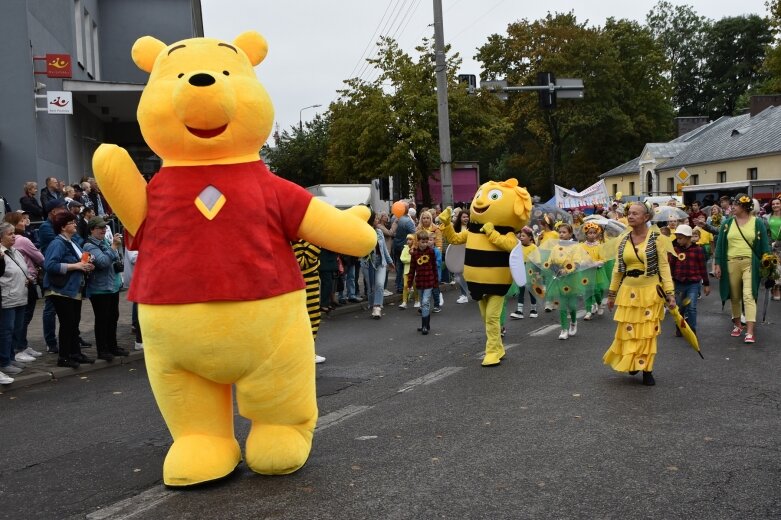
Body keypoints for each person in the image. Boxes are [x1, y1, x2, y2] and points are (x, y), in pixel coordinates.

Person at [603, 202, 677, 386]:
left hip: (651, 291)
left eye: (635, 213)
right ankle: (632, 360)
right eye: (629, 213)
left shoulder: (657, 238)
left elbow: (664, 267)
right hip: (628, 292)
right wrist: (611, 294)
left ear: (646, 217)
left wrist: (670, 293)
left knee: (647, 333)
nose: (630, 216)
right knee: (628, 332)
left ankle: (647, 369)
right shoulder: (623, 239)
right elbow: (617, 269)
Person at [713, 193, 771, 344]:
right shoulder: (727, 223)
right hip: (731, 263)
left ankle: (750, 331)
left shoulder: (757, 223)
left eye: (736, 205)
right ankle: (738, 325)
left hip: (750, 263)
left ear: (744, 207)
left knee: (749, 295)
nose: (732, 207)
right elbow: (719, 245)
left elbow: (765, 245)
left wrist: (769, 265)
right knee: (735, 296)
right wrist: (718, 264)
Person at [42, 212, 95, 368]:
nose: (75, 224)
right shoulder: (57, 243)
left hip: (73, 290)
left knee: (73, 323)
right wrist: (76, 266)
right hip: (61, 290)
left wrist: (86, 265)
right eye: (72, 222)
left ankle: (75, 353)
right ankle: (64, 357)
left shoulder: (72, 242)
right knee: (67, 323)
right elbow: (50, 266)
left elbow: (80, 261)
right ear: (63, 226)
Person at [83, 217, 128, 361]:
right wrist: (114, 247)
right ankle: (102, 350)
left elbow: (114, 259)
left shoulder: (105, 242)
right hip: (99, 289)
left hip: (112, 286)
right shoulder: (88, 246)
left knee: (113, 317)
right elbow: (102, 262)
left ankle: (112, 346)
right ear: (91, 230)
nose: (103, 230)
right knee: (102, 320)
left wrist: (114, 249)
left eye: (104, 227)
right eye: (99, 228)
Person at [3, 213, 44, 359]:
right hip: (16, 290)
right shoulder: (22, 241)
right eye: (21, 220)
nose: (26, 222)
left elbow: (23, 265)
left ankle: (19, 348)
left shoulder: (15, 247)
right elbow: (40, 258)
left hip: (22, 286)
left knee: (19, 322)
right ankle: (16, 351)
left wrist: (28, 276)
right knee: (15, 324)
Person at [0, 222, 36, 377]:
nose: (14, 236)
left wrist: (27, 278)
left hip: (21, 295)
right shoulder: (1, 253)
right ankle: (4, 362)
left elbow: (22, 269)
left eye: (14, 233)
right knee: (5, 331)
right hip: (7, 298)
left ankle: (11, 357)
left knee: (16, 329)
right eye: (10, 234)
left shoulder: (15, 251)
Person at [669, 224, 710, 335]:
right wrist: (669, 281)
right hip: (678, 283)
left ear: (688, 237)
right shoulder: (675, 250)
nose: (678, 240)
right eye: (677, 237)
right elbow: (671, 266)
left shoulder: (698, 250)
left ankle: (692, 330)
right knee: (679, 308)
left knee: (691, 307)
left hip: (693, 283)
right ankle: (680, 327)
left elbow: (702, 267)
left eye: (680, 238)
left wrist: (706, 283)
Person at [292, 239, 325, 364]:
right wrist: (317, 242)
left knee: (313, 318)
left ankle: (309, 351)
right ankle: (305, 353)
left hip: (309, 282)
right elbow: (304, 262)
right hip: (304, 284)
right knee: (309, 319)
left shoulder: (303, 237)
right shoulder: (295, 238)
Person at [407, 230, 438, 334]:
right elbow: (412, 270)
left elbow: (434, 267)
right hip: (420, 282)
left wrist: (436, 282)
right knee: (422, 303)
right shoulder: (415, 254)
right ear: (418, 241)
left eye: (426, 241)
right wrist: (409, 283)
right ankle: (426, 325)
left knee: (425, 302)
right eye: (422, 242)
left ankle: (424, 326)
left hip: (429, 281)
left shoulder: (431, 252)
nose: (425, 244)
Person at [370, 211, 394, 319]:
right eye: (375, 219)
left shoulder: (379, 231)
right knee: (371, 287)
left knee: (380, 284)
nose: (377, 220)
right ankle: (372, 303)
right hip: (369, 263)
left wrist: (390, 262)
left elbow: (384, 249)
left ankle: (377, 307)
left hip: (381, 262)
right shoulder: (365, 232)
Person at [510, 226, 539, 319]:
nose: (521, 237)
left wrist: (537, 272)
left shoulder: (534, 247)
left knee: (531, 291)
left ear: (530, 237)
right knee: (521, 290)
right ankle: (519, 311)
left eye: (523, 236)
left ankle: (533, 309)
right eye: (520, 235)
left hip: (531, 271)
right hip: (521, 271)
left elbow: (537, 261)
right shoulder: (518, 247)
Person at [390, 203, 416, 294]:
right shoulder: (408, 221)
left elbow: (392, 231)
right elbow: (414, 233)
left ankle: (398, 285)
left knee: (398, 266)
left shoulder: (394, 218)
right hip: (405, 247)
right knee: (405, 267)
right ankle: (403, 285)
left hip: (396, 245)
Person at [763, 195, 781, 300]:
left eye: (777, 203)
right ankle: (776, 289)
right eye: (773, 204)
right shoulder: (766, 217)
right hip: (771, 246)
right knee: (775, 269)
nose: (775, 205)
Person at [452, 209, 470, 304]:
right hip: (459, 254)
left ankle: (472, 293)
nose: (466, 218)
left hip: (470, 253)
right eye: (464, 217)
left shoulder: (472, 227)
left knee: (470, 275)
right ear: (460, 218)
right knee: (460, 275)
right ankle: (464, 295)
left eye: (467, 216)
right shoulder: (456, 227)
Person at [398, 234, 416, 309]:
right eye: (407, 239)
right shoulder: (405, 248)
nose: (408, 241)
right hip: (406, 270)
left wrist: (410, 260)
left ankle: (417, 300)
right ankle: (404, 302)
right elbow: (402, 258)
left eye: (410, 239)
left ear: (414, 241)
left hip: (414, 270)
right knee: (405, 286)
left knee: (415, 286)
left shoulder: (416, 248)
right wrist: (410, 260)